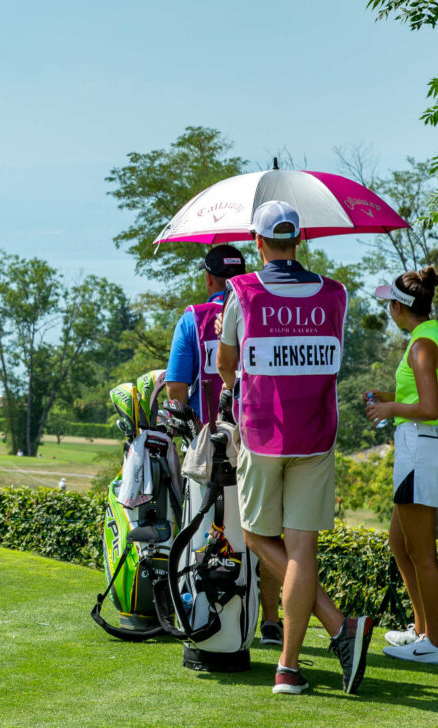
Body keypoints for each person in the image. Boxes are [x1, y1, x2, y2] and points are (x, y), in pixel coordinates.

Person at [216, 200, 372, 695]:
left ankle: (335, 626)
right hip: (317, 434)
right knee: (302, 548)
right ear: (298, 240)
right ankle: (289, 667)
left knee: (258, 538)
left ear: (258, 243)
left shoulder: (241, 292)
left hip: (263, 435)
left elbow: (226, 364)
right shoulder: (335, 294)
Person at [166, 245, 284, 646]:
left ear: (208, 277)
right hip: (260, 440)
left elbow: (176, 389)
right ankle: (268, 620)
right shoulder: (261, 312)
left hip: (209, 447)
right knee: (265, 532)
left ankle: (202, 611)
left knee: (204, 533)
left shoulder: (193, 318)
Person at [367, 268, 438, 666]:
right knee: (400, 544)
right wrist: (391, 395)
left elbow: (430, 409)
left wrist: (390, 408)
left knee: (422, 554)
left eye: (389, 302)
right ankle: (421, 630)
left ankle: (435, 644)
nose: (388, 308)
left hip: (422, 449)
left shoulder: (421, 345)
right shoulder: (434, 337)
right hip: (424, 449)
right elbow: (427, 396)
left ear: (400, 307)